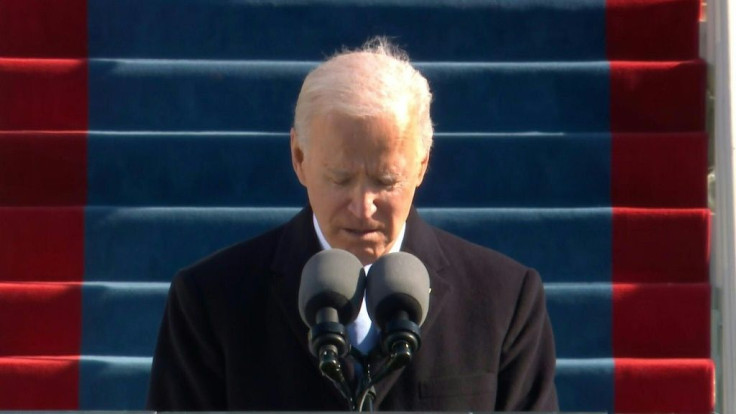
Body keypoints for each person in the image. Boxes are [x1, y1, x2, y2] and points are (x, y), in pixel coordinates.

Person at [146, 38, 558, 411]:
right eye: (340, 178)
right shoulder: (209, 301)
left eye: (386, 181)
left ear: (422, 165)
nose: (363, 207)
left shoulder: (503, 301)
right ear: (299, 158)